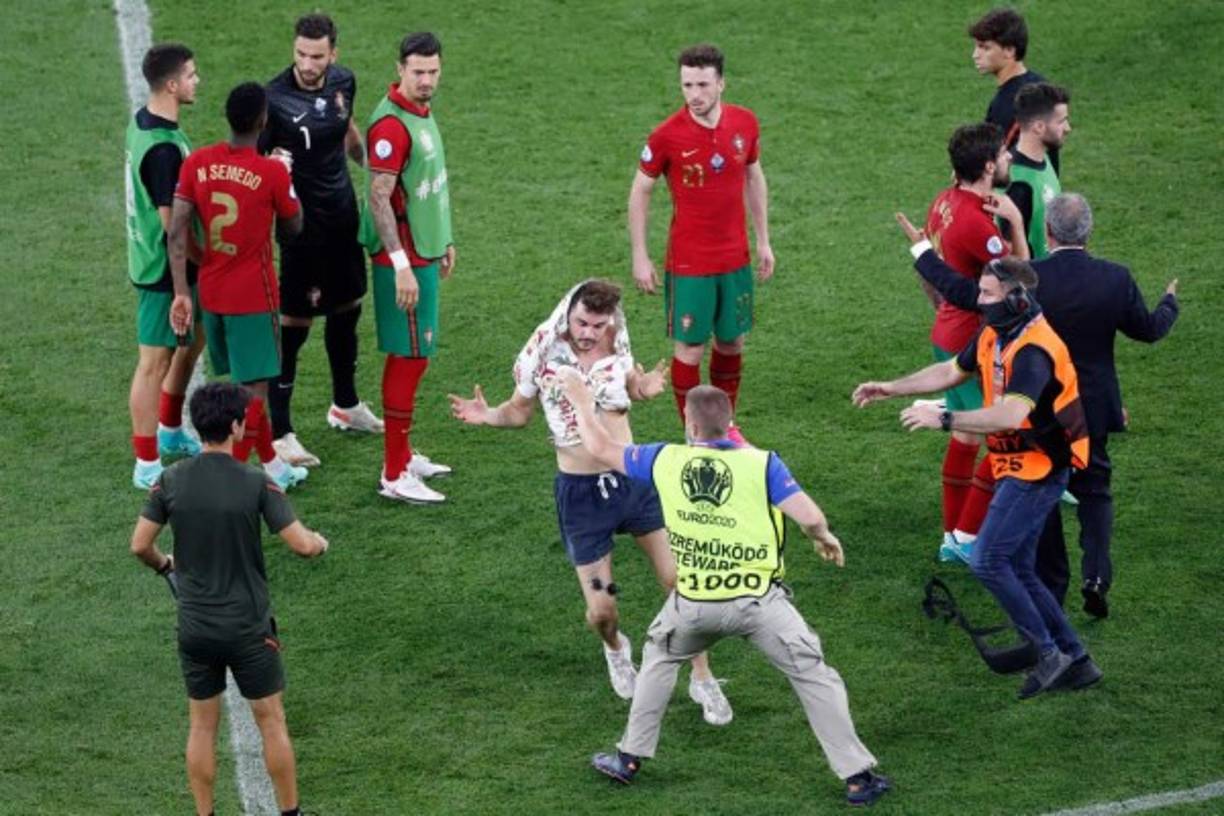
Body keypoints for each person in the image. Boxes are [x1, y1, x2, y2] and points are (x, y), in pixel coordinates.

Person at [559, 378, 890, 806]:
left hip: (693, 606)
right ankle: (857, 778)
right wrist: (822, 536)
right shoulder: (763, 464)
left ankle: (628, 758)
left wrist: (582, 400)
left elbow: (601, 448)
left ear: (690, 425)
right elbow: (809, 515)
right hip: (761, 605)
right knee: (814, 675)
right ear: (730, 423)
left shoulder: (664, 459)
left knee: (659, 657)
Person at [448, 280, 732, 723]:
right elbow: (519, 411)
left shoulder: (615, 329)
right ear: (568, 312)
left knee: (681, 581)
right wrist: (487, 415)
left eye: (598, 325)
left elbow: (627, 382)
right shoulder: (541, 348)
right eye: (582, 322)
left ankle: (702, 677)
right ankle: (616, 648)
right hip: (582, 496)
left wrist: (643, 386)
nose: (589, 332)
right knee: (603, 610)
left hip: (632, 479)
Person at [899, 193, 1180, 616]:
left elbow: (964, 293)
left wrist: (923, 252)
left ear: (1048, 232)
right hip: (1096, 407)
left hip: (1041, 408)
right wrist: (1169, 303)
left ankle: (1052, 589)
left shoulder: (1030, 281)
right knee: (1096, 492)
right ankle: (1096, 577)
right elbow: (1149, 330)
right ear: (1089, 231)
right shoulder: (1115, 279)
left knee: (1045, 493)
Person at [854, 258, 1102, 698]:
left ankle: (1049, 653)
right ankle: (1077, 660)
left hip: (1039, 467)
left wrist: (945, 418)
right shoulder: (999, 332)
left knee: (987, 559)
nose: (981, 302)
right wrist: (892, 386)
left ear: (1018, 299)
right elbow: (952, 370)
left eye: (988, 294)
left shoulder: (1033, 350)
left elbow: (1011, 412)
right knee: (1020, 567)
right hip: (1019, 462)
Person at [129, 381, 329, 816]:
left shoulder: (170, 480)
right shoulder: (254, 481)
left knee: (201, 726)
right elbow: (301, 545)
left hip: (196, 627)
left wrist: (166, 566)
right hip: (248, 627)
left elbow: (140, 545)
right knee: (271, 721)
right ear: (237, 426)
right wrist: (320, 542)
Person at [628, 44, 774, 444]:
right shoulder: (666, 136)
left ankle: (725, 427)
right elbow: (640, 191)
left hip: (735, 259)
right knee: (690, 350)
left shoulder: (745, 124)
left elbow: (754, 178)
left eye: (703, 84)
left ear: (721, 83)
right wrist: (640, 255)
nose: (695, 94)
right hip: (690, 263)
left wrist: (764, 241)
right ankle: (694, 433)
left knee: (732, 341)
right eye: (687, 85)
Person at [168, 82, 307, 490]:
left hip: (211, 294)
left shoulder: (196, 163)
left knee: (243, 383)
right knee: (253, 393)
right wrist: (288, 179)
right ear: (263, 121)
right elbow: (293, 228)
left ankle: (274, 465)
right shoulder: (269, 172)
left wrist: (182, 290)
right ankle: (232, 481)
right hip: (253, 298)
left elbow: (176, 231)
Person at [260, 13, 383, 469]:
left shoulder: (343, 82)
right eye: (300, 55)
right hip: (300, 231)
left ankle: (345, 405)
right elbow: (254, 159)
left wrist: (373, 163)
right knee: (294, 325)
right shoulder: (273, 99)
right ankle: (280, 432)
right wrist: (269, 164)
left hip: (341, 218)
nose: (307, 64)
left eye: (317, 56)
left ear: (333, 54)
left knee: (348, 307)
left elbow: (346, 129)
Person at [919, 123, 1028, 564]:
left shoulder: (944, 203)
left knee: (966, 434)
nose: (1009, 160)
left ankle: (956, 536)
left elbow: (926, 267)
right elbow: (1023, 278)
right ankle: (964, 536)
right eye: (1003, 155)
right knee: (999, 435)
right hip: (972, 341)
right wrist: (1017, 222)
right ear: (987, 167)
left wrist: (941, 308)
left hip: (948, 333)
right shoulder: (975, 223)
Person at [361, 31, 454, 504]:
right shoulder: (391, 127)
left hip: (422, 251)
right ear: (399, 69)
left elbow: (426, 186)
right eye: (417, 72)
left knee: (414, 355)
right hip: (403, 260)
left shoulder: (418, 112)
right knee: (409, 356)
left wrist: (443, 239)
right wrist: (400, 265)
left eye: (433, 71)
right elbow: (378, 198)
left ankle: (402, 453)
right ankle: (394, 472)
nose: (426, 80)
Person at [125, 43, 208, 489]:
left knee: (192, 343)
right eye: (192, 76)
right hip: (162, 270)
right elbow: (173, 228)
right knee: (153, 362)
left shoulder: (146, 123)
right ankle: (146, 463)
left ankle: (172, 429)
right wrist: (201, 261)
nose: (198, 82)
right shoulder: (162, 151)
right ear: (172, 85)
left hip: (161, 262)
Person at [969, 7, 1060, 173]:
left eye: (985, 47)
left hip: (1019, 192)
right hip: (1048, 187)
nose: (975, 55)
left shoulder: (1007, 103)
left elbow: (995, 163)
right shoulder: (1042, 86)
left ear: (1009, 50)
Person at [1005, 82, 1071, 258]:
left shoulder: (1046, 158)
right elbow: (1012, 256)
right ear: (1039, 127)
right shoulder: (1018, 184)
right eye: (1062, 121)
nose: (1068, 129)